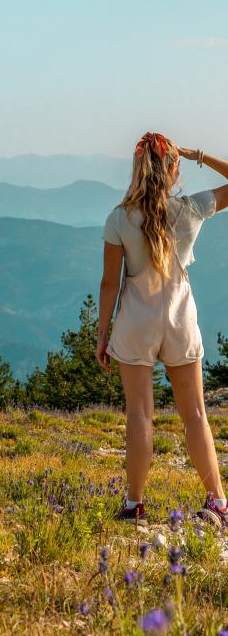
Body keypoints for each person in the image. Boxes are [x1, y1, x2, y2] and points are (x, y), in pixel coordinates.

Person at [96, 133, 228, 527]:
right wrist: (199, 155)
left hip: (137, 319)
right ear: (172, 170)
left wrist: (103, 335)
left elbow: (109, 283)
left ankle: (135, 505)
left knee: (139, 415)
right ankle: (218, 502)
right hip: (179, 317)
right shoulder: (189, 208)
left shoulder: (119, 218)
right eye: (179, 164)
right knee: (195, 414)